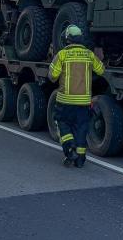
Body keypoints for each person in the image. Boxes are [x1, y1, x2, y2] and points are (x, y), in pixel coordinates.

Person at [48, 25, 105, 168]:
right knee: (81, 128)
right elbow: (101, 70)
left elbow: (52, 76)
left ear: (67, 39)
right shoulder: (89, 54)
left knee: (62, 125)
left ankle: (69, 149)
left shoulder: (62, 55)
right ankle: (80, 159)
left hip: (65, 101)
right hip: (84, 102)